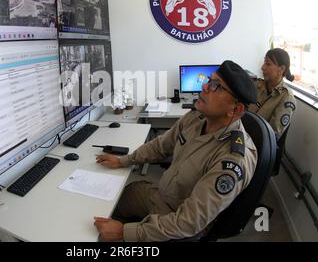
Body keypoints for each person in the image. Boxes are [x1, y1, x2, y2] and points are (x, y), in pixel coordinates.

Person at [94, 60, 258, 241]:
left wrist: (124, 232)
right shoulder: (196, 117)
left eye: (216, 86)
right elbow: (161, 145)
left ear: (236, 109)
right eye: (209, 80)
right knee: (119, 197)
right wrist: (124, 160)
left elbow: (188, 222)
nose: (204, 86)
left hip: (177, 222)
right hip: (161, 193)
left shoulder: (233, 159)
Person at [248, 48, 296, 139]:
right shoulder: (257, 85)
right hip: (242, 133)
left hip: (257, 144)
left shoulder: (286, 97)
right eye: (264, 62)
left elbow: (272, 136)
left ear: (281, 69)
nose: (262, 67)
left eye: (268, 64)